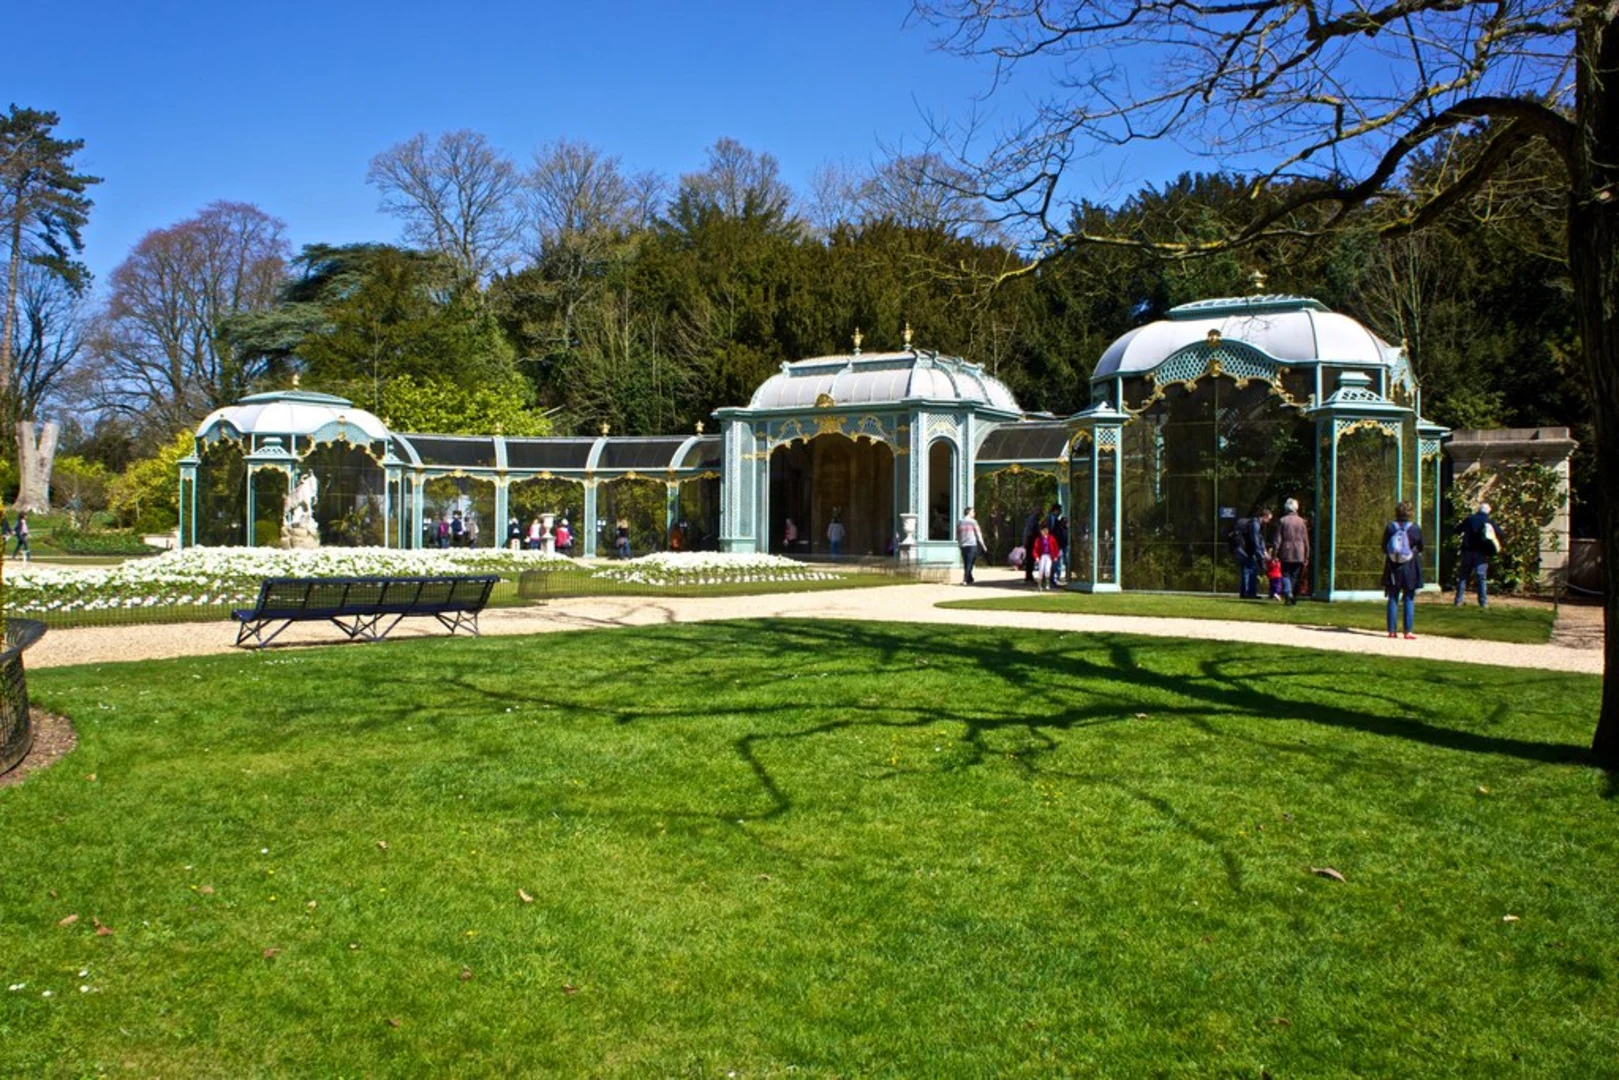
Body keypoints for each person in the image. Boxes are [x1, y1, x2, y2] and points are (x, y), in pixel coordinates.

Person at [1383, 500, 1425, 639]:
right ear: (1411, 513)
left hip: (1392, 565)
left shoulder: (1390, 527)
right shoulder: (1415, 528)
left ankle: (1391, 631)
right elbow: (1421, 546)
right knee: (1408, 597)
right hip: (1410, 565)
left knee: (1393, 597)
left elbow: (1384, 547)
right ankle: (1408, 631)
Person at [1454, 501, 1500, 608]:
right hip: (1481, 553)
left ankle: (1458, 601)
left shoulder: (1470, 519)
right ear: (1488, 512)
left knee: (1463, 576)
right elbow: (1500, 533)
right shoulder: (1488, 521)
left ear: (1478, 510)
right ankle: (1483, 602)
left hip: (1467, 551)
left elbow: (1457, 530)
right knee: (1481, 578)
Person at [1274, 497, 1310, 605]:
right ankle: (1290, 594)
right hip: (1299, 552)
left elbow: (1278, 539)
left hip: (1286, 551)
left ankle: (1288, 592)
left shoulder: (1282, 521)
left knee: (1285, 574)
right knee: (1294, 575)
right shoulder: (1302, 522)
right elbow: (1306, 540)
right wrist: (1307, 555)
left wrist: (1275, 552)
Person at [1232, 508, 1272, 598]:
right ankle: (1248, 593)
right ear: (1264, 516)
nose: (1269, 521)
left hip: (1243, 549)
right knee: (1250, 569)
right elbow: (1256, 541)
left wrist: (1263, 551)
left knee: (1248, 569)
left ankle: (1246, 593)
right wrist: (1261, 555)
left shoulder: (1255, 523)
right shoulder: (1255, 524)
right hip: (1244, 549)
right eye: (1269, 519)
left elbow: (1259, 539)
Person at [956, 506, 986, 585]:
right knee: (970, 562)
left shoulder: (959, 522)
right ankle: (965, 579)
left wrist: (959, 543)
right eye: (973, 512)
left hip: (963, 545)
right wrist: (983, 545)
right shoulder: (973, 522)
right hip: (972, 544)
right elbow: (978, 534)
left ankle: (969, 578)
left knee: (967, 562)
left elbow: (958, 534)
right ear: (969, 513)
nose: (974, 513)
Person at [1030, 523, 1061, 591]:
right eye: (1044, 530)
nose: (1045, 532)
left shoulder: (1051, 538)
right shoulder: (1038, 539)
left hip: (1049, 556)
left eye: (1046, 530)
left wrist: (1056, 556)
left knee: (1047, 570)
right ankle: (1040, 585)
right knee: (1041, 570)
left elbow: (1056, 548)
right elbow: (1035, 549)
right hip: (1042, 556)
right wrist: (1036, 557)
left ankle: (1047, 584)